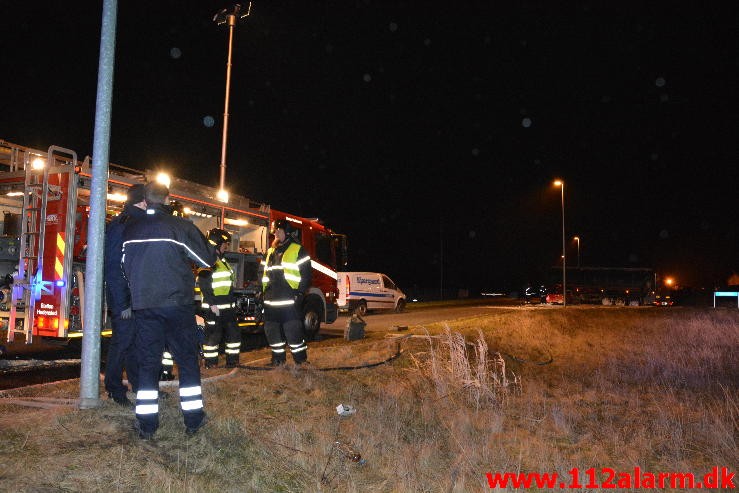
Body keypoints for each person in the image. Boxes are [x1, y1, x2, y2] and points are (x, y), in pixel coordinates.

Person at [122, 182, 216, 439]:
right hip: (177, 306)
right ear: (167, 199)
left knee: (148, 364)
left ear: (145, 200)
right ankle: (194, 422)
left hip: (145, 306)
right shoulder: (179, 227)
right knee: (186, 362)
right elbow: (208, 260)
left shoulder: (131, 230)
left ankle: (147, 426)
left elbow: (124, 268)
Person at [103, 184, 146, 406]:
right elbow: (114, 268)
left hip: (135, 298)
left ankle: (138, 387)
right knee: (121, 343)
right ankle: (114, 389)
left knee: (134, 343)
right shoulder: (123, 226)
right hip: (126, 299)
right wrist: (123, 303)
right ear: (143, 200)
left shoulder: (132, 223)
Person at [261, 218, 312, 365]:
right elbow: (262, 273)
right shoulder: (270, 251)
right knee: (271, 331)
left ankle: (301, 361)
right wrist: (261, 292)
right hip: (270, 300)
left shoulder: (298, 250)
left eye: (278, 231)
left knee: (293, 331)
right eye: (274, 231)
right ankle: (278, 360)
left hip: (289, 299)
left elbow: (306, 275)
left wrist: (300, 293)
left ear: (287, 232)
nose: (275, 233)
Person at [199, 228, 241, 368]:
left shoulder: (221, 261)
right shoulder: (208, 261)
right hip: (215, 308)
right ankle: (211, 364)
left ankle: (232, 361)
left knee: (233, 336)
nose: (226, 246)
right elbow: (205, 285)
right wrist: (212, 305)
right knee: (213, 337)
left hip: (227, 308)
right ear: (217, 243)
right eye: (225, 243)